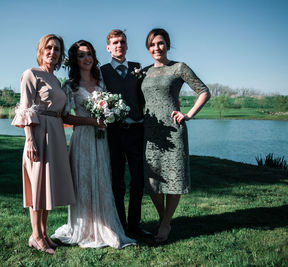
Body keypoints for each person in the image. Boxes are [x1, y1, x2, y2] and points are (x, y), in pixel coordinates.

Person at [51, 40, 136, 249]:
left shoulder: (101, 82)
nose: (86, 58)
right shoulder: (70, 86)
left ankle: (106, 225)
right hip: (82, 139)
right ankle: (84, 227)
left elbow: (109, 106)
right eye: (81, 55)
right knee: (84, 181)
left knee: (102, 178)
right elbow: (64, 117)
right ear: (75, 60)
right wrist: (91, 121)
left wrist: (109, 115)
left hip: (102, 140)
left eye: (89, 54)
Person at [141, 28, 211, 243]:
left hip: (173, 130)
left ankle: (164, 224)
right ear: (148, 48)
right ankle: (165, 220)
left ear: (168, 45)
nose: (156, 48)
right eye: (152, 45)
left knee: (174, 178)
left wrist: (188, 114)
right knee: (152, 180)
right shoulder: (143, 72)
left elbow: (204, 91)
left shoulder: (179, 68)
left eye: (160, 43)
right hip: (150, 133)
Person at [11, 34, 75, 255]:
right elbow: (26, 108)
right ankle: (35, 236)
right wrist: (29, 140)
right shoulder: (31, 74)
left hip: (56, 133)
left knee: (48, 186)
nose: (52, 52)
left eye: (57, 49)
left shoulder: (56, 80)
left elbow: (61, 111)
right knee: (38, 186)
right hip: (39, 133)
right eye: (48, 48)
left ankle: (44, 233)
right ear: (41, 50)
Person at [100, 30, 150, 238]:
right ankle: (120, 224)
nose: (119, 45)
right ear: (108, 48)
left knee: (138, 180)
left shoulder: (137, 68)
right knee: (117, 182)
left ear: (127, 46)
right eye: (115, 42)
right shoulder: (101, 71)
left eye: (122, 42)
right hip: (114, 134)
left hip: (137, 131)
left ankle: (135, 225)